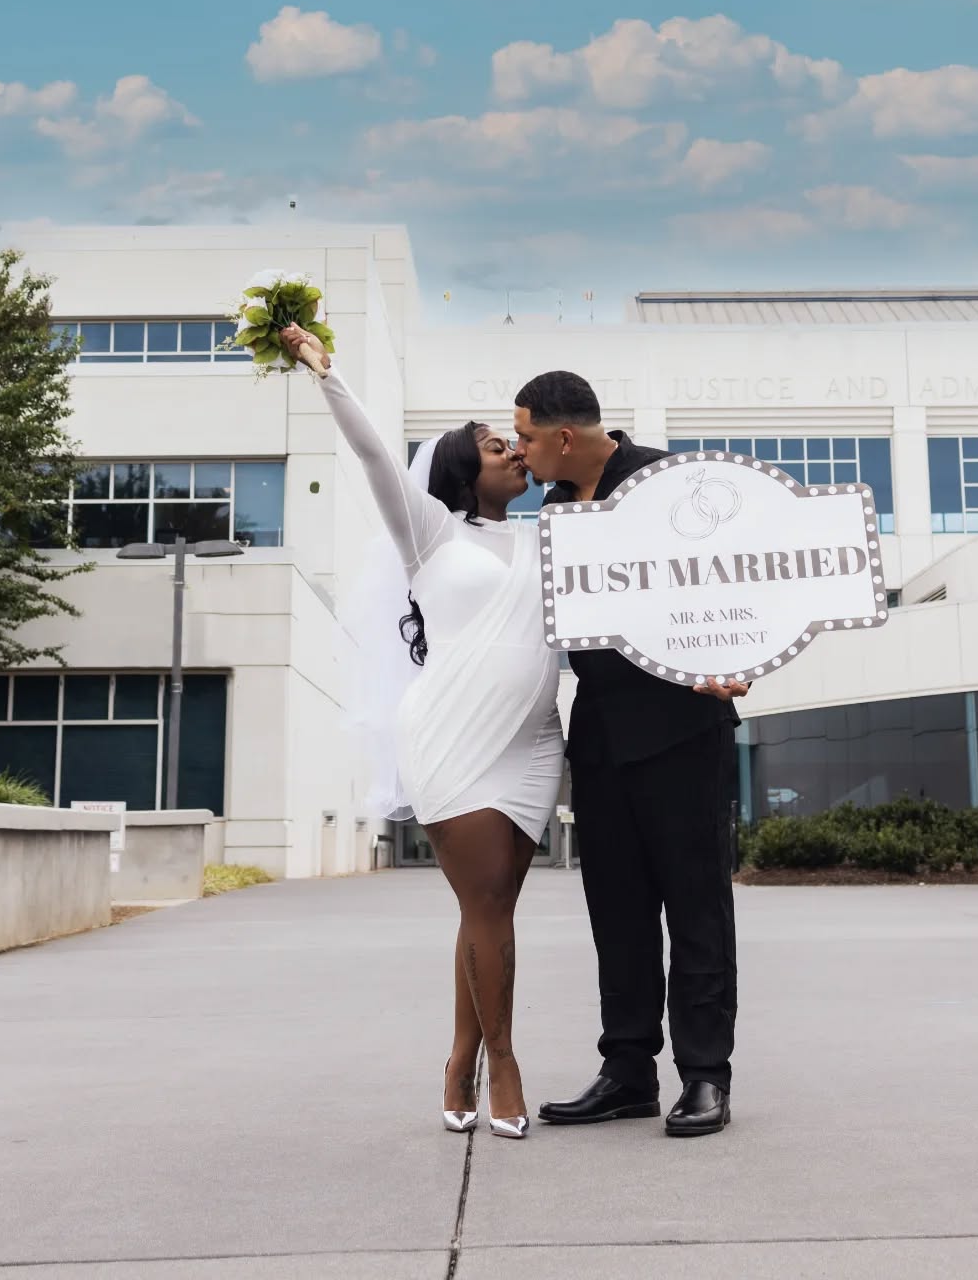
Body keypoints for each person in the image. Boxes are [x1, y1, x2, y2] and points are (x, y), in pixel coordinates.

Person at [279, 324, 562, 1141]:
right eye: (495, 444)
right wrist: (326, 375)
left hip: (537, 742)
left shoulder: (550, 539)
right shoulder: (431, 532)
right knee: (486, 910)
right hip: (454, 740)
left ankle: (458, 1053)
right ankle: (501, 1063)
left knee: (489, 911)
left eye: (515, 442)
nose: (514, 450)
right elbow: (371, 455)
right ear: (458, 470)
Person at [513, 370, 748, 1139]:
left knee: (695, 907)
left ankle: (706, 1076)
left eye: (525, 437)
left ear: (564, 437)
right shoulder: (553, 507)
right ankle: (628, 1071)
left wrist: (744, 655)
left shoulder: (667, 480)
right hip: (604, 733)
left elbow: (744, 574)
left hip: (684, 724)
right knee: (615, 912)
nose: (521, 453)